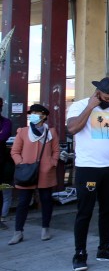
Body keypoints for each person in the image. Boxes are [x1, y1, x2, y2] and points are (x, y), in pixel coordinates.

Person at [66, 78, 109, 271]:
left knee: (108, 210)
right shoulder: (80, 106)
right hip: (88, 167)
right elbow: (72, 129)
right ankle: (80, 253)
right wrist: (90, 107)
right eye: (107, 96)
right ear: (98, 92)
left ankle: (104, 248)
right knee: (85, 211)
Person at [8, 104, 60, 244]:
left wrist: (52, 162)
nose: (33, 116)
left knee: (46, 201)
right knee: (23, 202)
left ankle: (45, 228)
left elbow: (56, 151)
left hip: (45, 172)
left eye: (36, 113)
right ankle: (18, 232)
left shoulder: (51, 132)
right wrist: (21, 163)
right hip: (27, 172)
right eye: (32, 113)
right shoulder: (23, 132)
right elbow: (14, 151)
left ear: (43, 116)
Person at [0, 97, 13, 231]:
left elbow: (3, 136)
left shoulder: (6, 122)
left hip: (3, 166)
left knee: (4, 192)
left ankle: (2, 218)